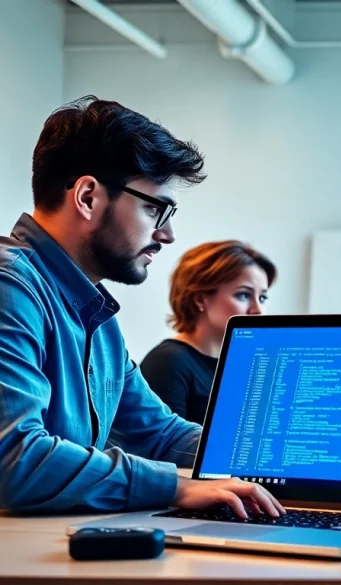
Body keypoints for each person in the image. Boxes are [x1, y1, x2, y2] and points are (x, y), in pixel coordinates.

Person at [0, 96, 283, 519]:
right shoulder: (11, 289)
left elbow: (161, 433)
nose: (167, 235)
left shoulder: (95, 315)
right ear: (88, 197)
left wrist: (281, 463)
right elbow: (16, 460)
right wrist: (176, 487)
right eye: (155, 208)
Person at [141, 241, 277, 424]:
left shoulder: (245, 362)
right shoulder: (168, 362)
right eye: (244, 295)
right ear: (200, 299)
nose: (258, 309)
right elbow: (162, 447)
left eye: (262, 297)